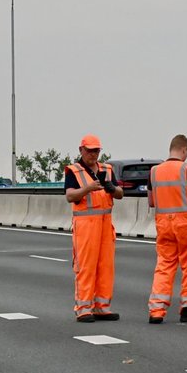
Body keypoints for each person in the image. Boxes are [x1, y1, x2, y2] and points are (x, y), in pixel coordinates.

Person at [147, 134, 187, 324]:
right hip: (186, 224)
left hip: (163, 225)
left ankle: (157, 310)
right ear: (184, 150)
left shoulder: (154, 171)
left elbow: (152, 201)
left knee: (164, 265)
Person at [64, 134, 124, 322]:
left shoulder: (107, 169)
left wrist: (111, 188)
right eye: (89, 150)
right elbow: (70, 196)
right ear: (81, 150)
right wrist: (88, 188)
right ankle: (83, 308)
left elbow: (121, 193)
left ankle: (102, 307)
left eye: (96, 150)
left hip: (105, 225)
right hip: (85, 227)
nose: (93, 154)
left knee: (106, 267)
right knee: (86, 267)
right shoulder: (73, 171)